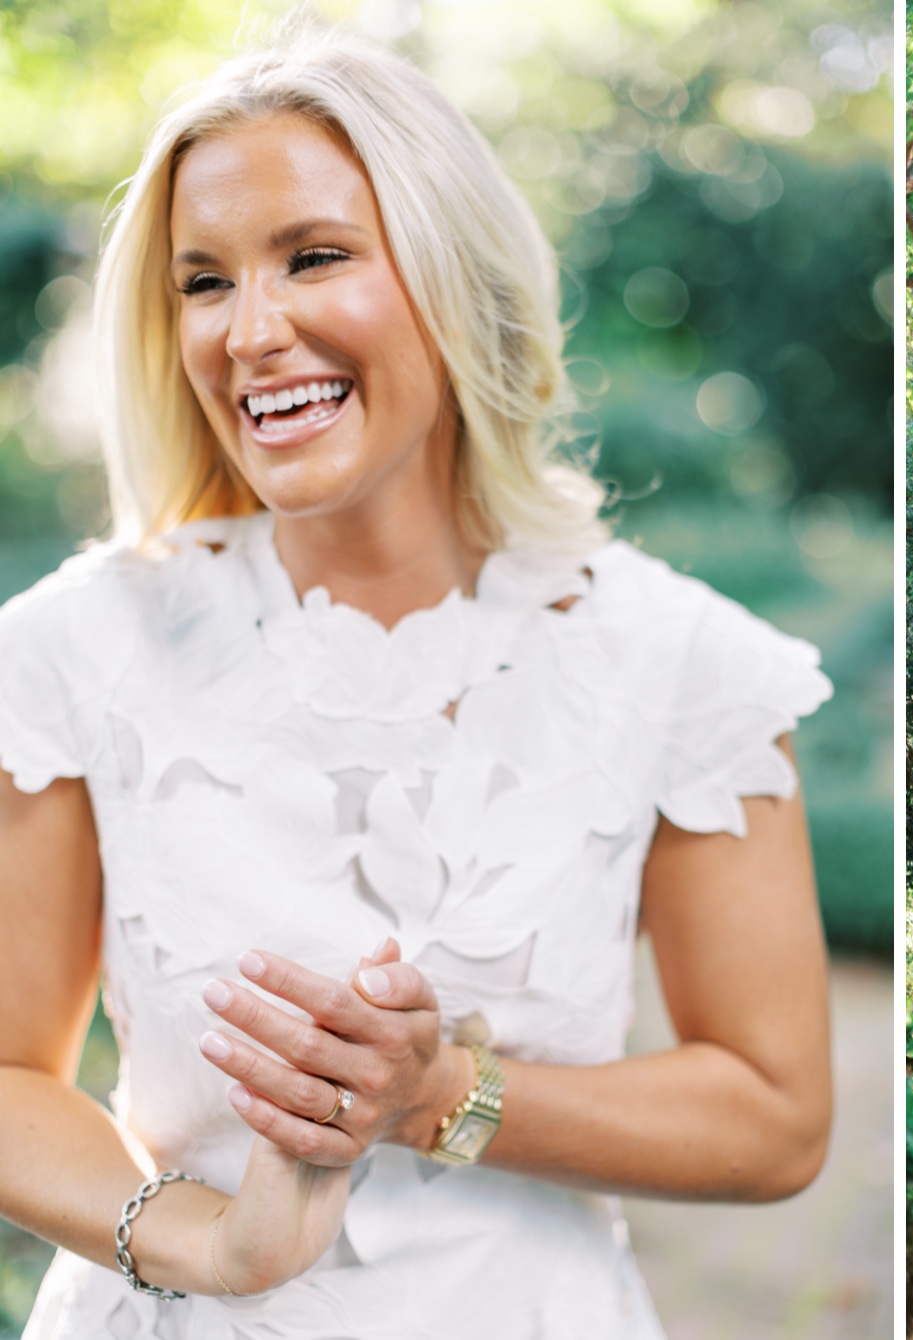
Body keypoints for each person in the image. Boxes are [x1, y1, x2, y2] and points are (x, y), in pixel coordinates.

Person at [0, 24, 833, 1338]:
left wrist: (433, 1093)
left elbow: (775, 1117)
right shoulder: (73, 647)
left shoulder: (689, 666)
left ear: (455, 279)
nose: (251, 331)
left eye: (314, 257)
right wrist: (211, 1248)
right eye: (203, 282)